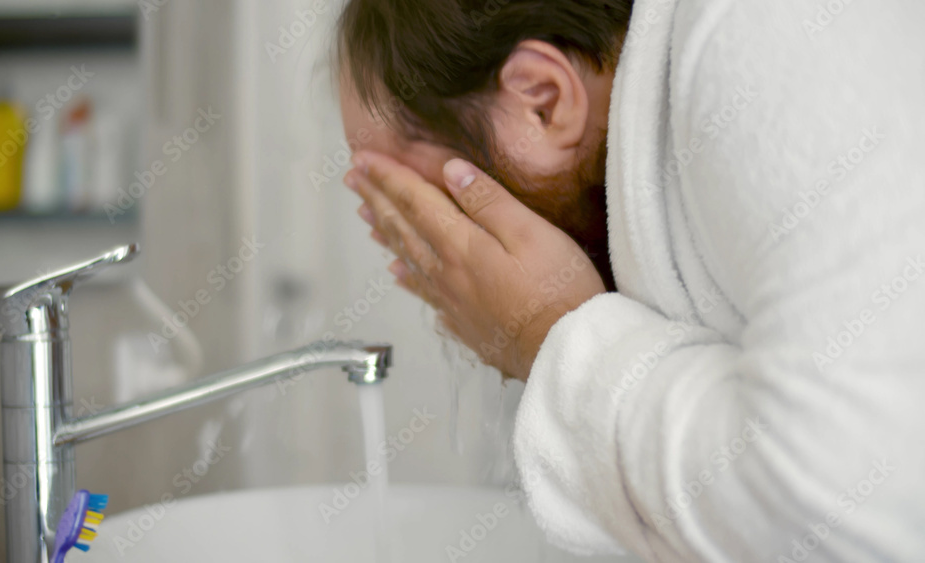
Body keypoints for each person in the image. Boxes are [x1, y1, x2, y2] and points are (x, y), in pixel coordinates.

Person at [336, 0, 925, 561]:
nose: (434, 259)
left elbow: (843, 499)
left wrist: (547, 336)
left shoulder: (758, 30)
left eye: (418, 206)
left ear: (543, 101)